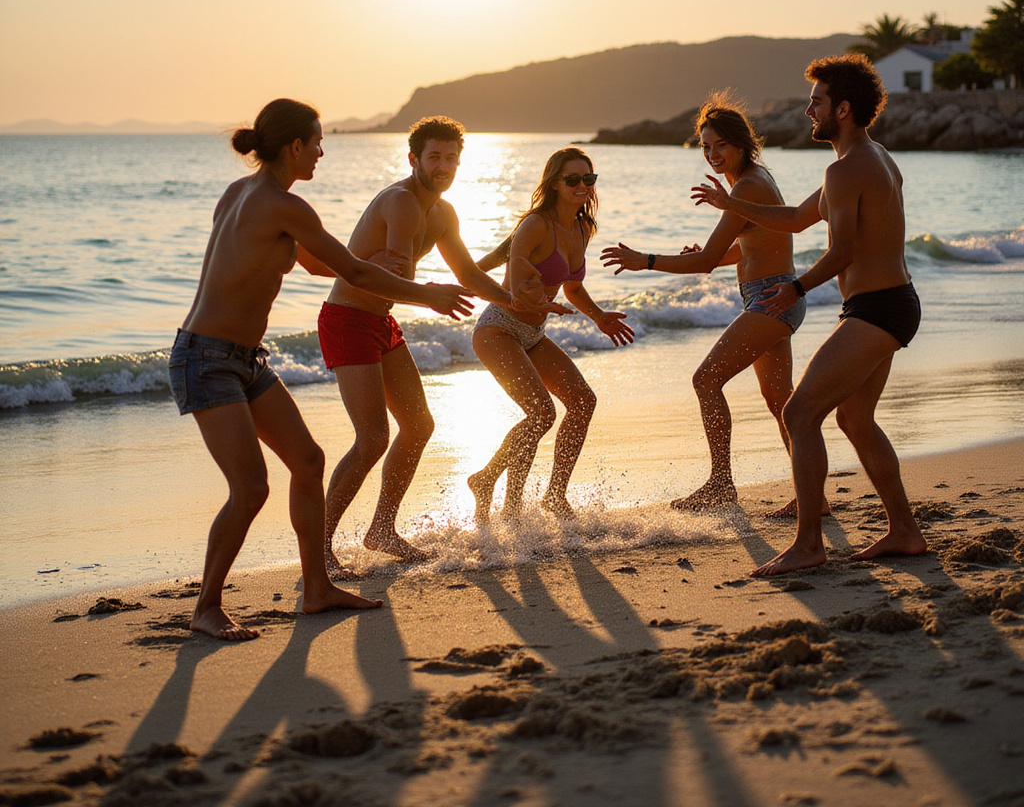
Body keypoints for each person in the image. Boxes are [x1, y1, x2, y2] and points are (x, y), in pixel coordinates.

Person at [169, 99, 474, 640]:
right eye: (317, 142)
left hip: (244, 360)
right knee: (251, 488)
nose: (321, 151)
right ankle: (206, 605)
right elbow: (351, 269)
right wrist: (425, 293)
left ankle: (316, 588)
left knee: (308, 461)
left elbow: (314, 261)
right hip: (206, 358)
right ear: (294, 148)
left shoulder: (244, 195)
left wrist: (368, 268)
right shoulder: (286, 205)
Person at [691, 54, 926, 576]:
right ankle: (905, 531)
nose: (807, 111)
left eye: (816, 101)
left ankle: (808, 543)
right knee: (854, 419)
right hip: (892, 303)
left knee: (799, 414)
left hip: (876, 308)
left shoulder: (846, 168)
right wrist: (732, 206)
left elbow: (841, 251)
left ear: (842, 108)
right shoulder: (873, 157)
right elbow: (798, 219)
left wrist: (792, 287)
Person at [305, 116, 562, 577]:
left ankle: (382, 530)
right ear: (414, 160)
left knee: (418, 425)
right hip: (347, 320)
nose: (444, 166)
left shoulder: (443, 213)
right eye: (435, 157)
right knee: (372, 439)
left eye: (451, 158)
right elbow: (402, 278)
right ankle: (319, 550)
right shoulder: (402, 202)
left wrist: (518, 302)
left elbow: (468, 276)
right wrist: (425, 289)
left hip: (381, 320)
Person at [601, 94, 824, 516]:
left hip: (771, 300)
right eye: (705, 146)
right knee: (782, 404)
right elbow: (749, 249)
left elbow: (704, 264)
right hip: (775, 296)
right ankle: (812, 496)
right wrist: (713, 254)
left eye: (720, 144)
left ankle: (721, 484)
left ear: (741, 143)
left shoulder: (749, 185)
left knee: (706, 380)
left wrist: (644, 261)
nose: (712, 154)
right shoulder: (754, 181)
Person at [468, 147, 634, 526]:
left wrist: (598, 317)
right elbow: (510, 280)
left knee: (582, 402)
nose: (581, 186)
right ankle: (495, 490)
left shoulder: (582, 227)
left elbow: (573, 288)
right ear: (554, 184)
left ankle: (554, 496)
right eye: (572, 179)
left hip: (534, 331)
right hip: (499, 329)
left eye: (588, 179)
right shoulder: (535, 225)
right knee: (541, 412)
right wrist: (536, 302)